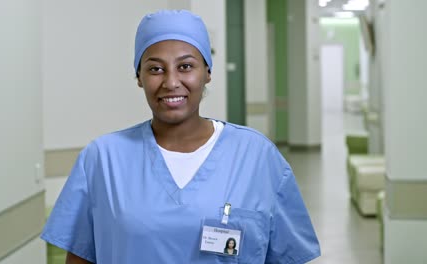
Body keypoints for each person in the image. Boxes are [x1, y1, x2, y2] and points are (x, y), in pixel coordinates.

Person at [41, 9, 320, 264]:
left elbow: (287, 257)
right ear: (139, 76)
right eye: (155, 68)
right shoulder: (102, 160)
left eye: (185, 66)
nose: (171, 82)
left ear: (207, 72)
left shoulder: (257, 156)